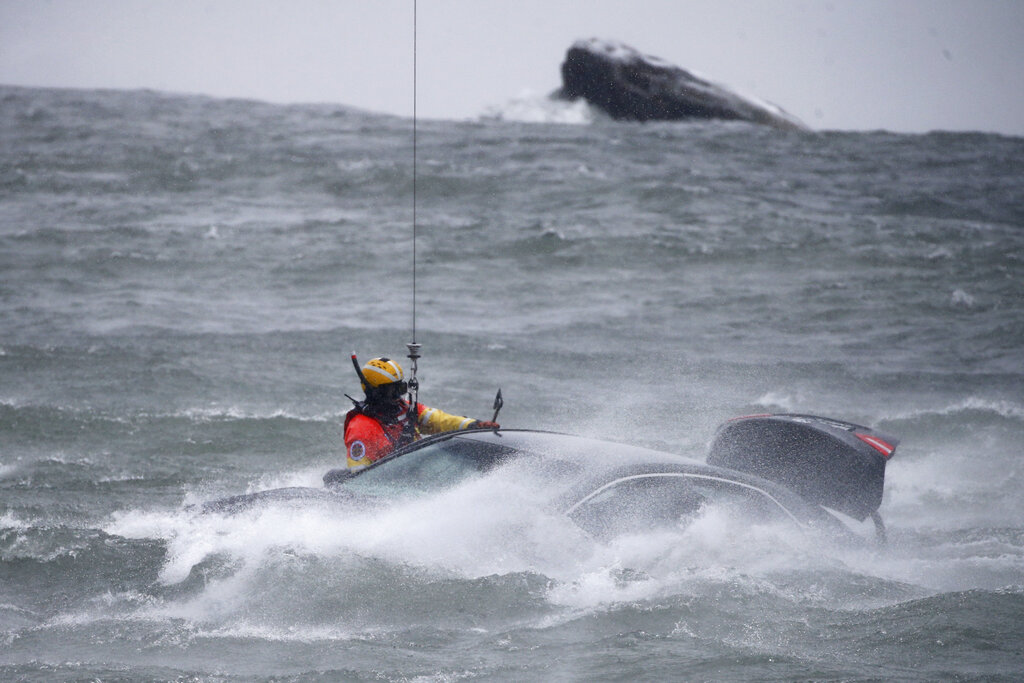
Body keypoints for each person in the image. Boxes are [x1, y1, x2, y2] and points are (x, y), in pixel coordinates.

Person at [344, 356, 499, 471]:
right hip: (392, 487)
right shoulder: (361, 428)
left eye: (401, 388)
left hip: (418, 474)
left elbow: (441, 421)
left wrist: (474, 425)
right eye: (393, 390)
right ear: (376, 392)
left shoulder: (407, 409)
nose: (399, 396)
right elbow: (359, 475)